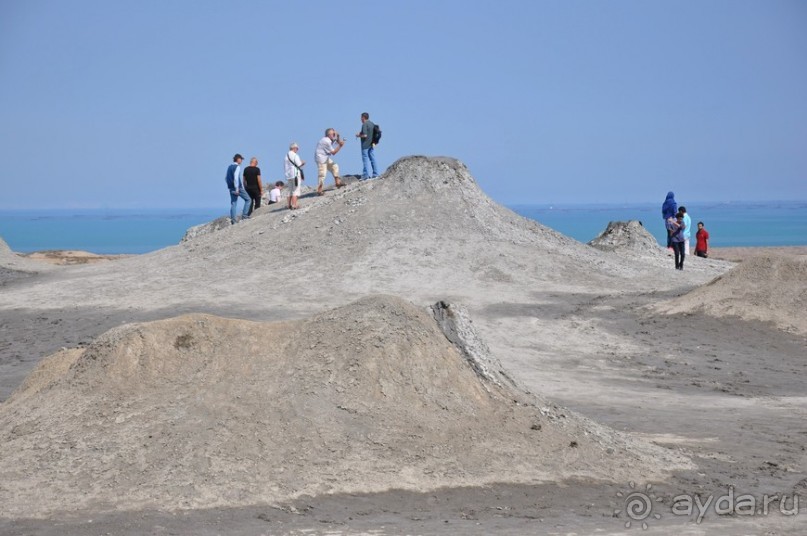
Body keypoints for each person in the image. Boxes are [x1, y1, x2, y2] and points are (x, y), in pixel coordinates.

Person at [315, 128, 345, 195]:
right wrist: (340, 146)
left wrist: (338, 136)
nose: (334, 135)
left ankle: (338, 183)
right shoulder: (326, 141)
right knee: (322, 174)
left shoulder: (329, 139)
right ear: (329, 135)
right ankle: (319, 190)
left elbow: (337, 141)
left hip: (325, 157)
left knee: (334, 166)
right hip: (321, 159)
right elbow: (334, 152)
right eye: (333, 134)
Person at [226, 153, 251, 224]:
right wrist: (237, 188)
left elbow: (226, 178)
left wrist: (230, 186)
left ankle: (233, 221)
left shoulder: (229, 167)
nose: (241, 161)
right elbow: (236, 178)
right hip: (237, 187)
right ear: (238, 159)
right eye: (241, 159)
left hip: (231, 188)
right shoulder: (237, 167)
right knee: (248, 199)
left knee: (233, 203)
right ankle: (245, 216)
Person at [355, 112, 379, 179]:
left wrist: (358, 135)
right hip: (371, 144)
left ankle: (365, 175)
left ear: (363, 117)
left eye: (361, 118)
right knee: (372, 159)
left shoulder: (364, 124)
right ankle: (375, 174)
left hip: (365, 145)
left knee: (365, 160)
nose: (360, 119)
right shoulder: (372, 124)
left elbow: (365, 135)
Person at [285, 142, 305, 210]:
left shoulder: (286, 156)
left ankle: (288, 205)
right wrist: (303, 162)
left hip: (288, 175)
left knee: (290, 190)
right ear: (294, 148)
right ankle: (294, 205)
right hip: (295, 174)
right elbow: (299, 164)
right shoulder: (295, 155)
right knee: (295, 190)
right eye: (297, 148)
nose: (297, 149)